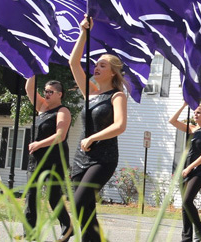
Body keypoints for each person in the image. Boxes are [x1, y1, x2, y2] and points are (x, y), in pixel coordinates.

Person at [69, 16, 127, 242]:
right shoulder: (90, 94)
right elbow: (74, 63)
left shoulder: (117, 95)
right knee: (84, 208)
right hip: (81, 156)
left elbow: (119, 126)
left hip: (104, 158)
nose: (96, 67)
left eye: (103, 65)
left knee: (79, 200)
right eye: (95, 64)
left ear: (113, 72)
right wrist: (84, 32)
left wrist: (93, 137)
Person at [23, 75, 73, 241]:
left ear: (60, 94)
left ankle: (67, 227)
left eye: (50, 92)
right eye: (45, 91)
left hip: (54, 159)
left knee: (53, 196)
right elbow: (29, 89)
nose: (46, 94)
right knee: (31, 196)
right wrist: (32, 69)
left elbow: (60, 135)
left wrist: (38, 144)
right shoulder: (42, 107)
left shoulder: (62, 111)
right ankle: (29, 235)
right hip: (36, 159)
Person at [169, 102, 201, 242]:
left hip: (199, 170)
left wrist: (190, 167)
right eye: (194, 112)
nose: (195, 114)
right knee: (184, 205)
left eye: (199, 112)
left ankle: (199, 227)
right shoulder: (191, 129)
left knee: (187, 201)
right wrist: (184, 105)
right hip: (185, 170)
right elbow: (172, 120)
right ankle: (186, 239)